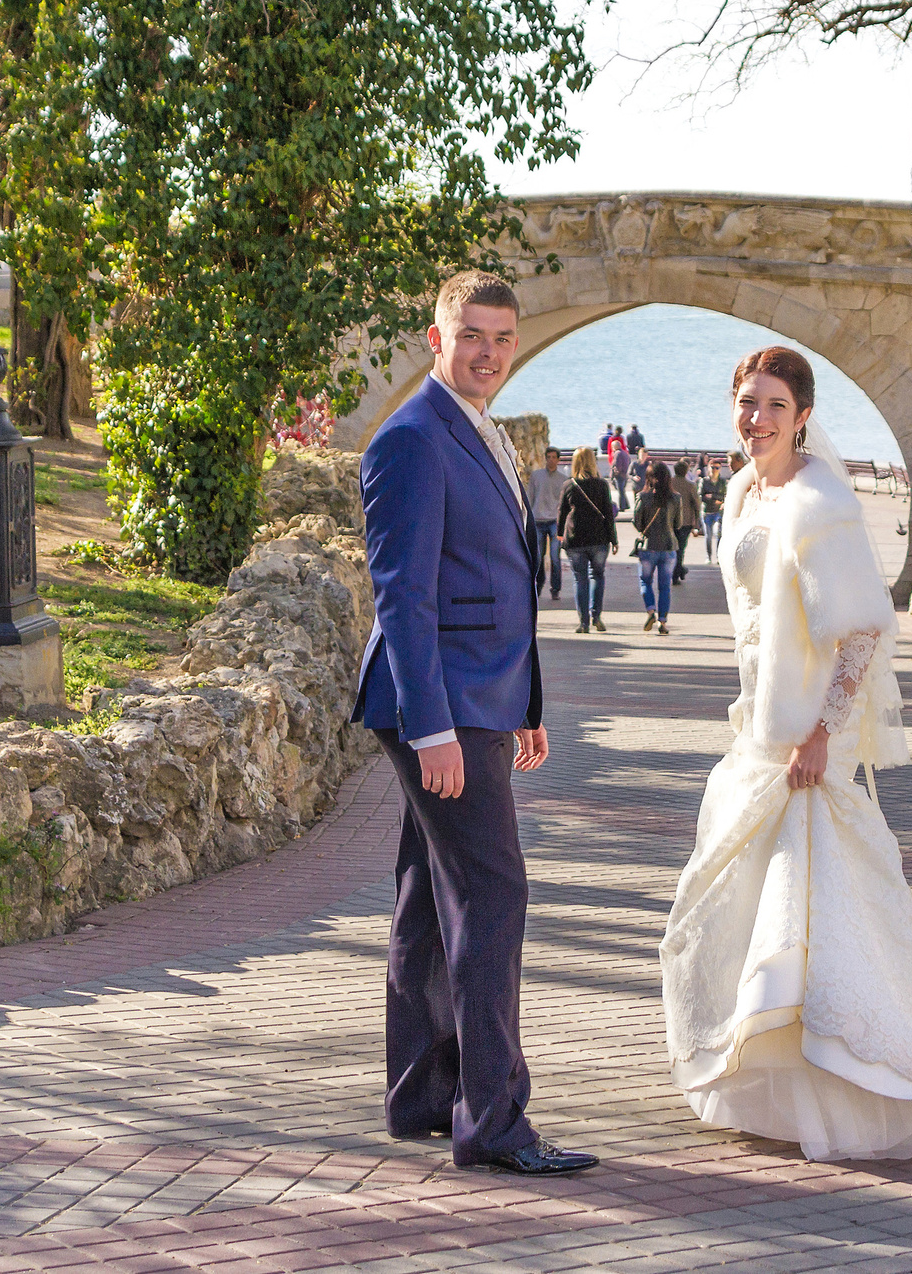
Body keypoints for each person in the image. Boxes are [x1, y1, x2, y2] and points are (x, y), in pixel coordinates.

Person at [661, 345, 912, 1161]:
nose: (757, 418)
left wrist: (821, 732)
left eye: (775, 405)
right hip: (757, 727)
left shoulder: (820, 500)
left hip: (807, 736)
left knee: (820, 904)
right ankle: (772, 1080)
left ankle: (871, 1076)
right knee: (739, 898)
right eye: (746, 401)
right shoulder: (741, 489)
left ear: (803, 415)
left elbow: (867, 628)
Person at [352, 270, 596, 1177]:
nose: (489, 352)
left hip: (480, 697)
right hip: (439, 705)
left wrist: (524, 703)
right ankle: (493, 1121)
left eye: (502, 337)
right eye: (471, 336)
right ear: (436, 338)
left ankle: (422, 1092)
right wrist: (434, 731)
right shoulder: (412, 438)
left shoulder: (476, 425)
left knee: (428, 891)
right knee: (492, 895)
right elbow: (404, 596)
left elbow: (498, 581)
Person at [556, 446, 616, 634]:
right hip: (599, 539)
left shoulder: (569, 485)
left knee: (580, 579)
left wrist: (559, 534)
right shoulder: (602, 485)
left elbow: (562, 512)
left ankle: (583, 622)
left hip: (575, 539)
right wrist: (614, 539)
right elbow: (608, 513)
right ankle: (596, 616)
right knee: (597, 576)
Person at [633, 462, 680, 633]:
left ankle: (651, 610)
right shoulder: (675, 498)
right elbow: (678, 523)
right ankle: (662, 621)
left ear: (649, 477)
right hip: (668, 546)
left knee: (645, 581)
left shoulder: (643, 497)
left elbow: (637, 522)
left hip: (648, 547)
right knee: (665, 586)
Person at [526, 447, 567, 601]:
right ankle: (538, 584)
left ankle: (555, 588)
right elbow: (530, 497)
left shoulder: (563, 479)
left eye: (553, 457)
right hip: (538, 520)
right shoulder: (536, 476)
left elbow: (564, 504)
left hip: (555, 522)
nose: (551, 460)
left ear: (558, 459)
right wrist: (528, 518)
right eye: (548, 457)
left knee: (555, 557)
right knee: (538, 556)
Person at [672, 459, 703, 585]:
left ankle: (678, 570)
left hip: (670, 520)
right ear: (686, 472)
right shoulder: (690, 485)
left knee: (672, 547)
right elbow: (697, 504)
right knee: (681, 548)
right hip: (685, 521)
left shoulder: (669, 483)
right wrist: (697, 521)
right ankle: (678, 571)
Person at [699, 458, 727, 559]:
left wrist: (712, 496)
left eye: (717, 468)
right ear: (708, 468)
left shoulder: (722, 482)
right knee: (708, 536)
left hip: (718, 511)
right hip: (707, 511)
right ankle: (709, 555)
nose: (714, 470)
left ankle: (719, 556)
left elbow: (724, 496)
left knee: (718, 534)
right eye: (712, 467)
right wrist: (714, 498)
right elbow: (701, 496)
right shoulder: (704, 481)